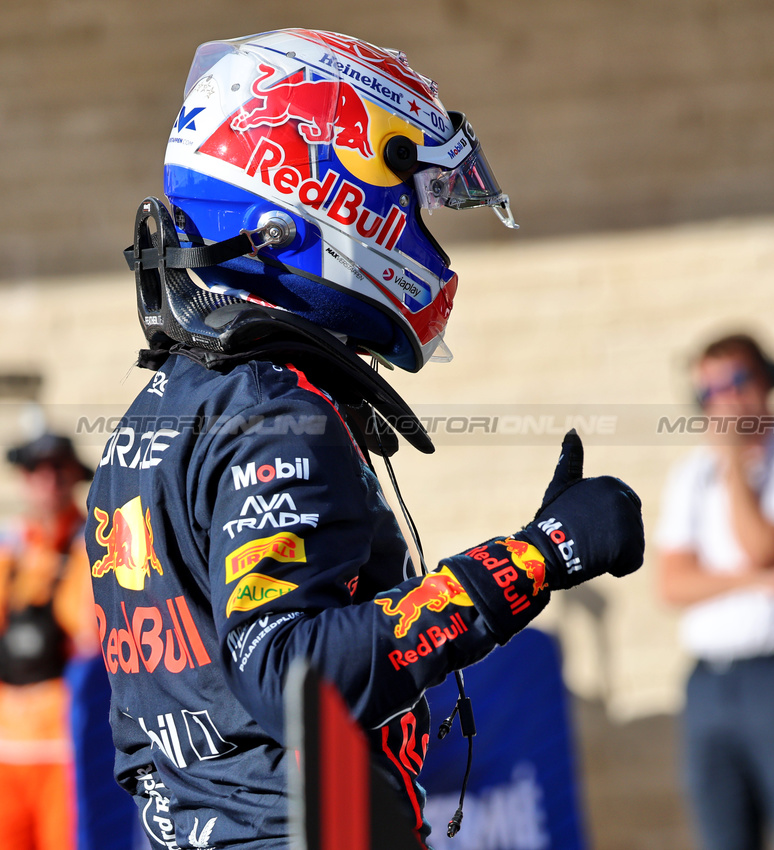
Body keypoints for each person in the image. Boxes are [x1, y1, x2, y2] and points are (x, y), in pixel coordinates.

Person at [87, 29, 643, 849]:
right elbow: (292, 671)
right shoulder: (280, 408)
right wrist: (539, 556)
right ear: (318, 187)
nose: (416, 222)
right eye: (408, 193)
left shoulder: (160, 412)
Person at [657, 332, 774, 850]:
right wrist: (756, 582)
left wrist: (736, 463)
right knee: (722, 837)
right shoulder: (691, 472)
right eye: (709, 392)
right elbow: (672, 584)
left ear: (769, 379)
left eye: (737, 381)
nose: (725, 400)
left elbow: (762, 544)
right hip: (708, 683)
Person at [0, 432, 96, 850]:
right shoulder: (13, 553)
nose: (48, 480)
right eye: (36, 470)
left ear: (74, 475)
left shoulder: (89, 550)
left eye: (58, 468)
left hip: (63, 749)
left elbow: (88, 639)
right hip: (7, 750)